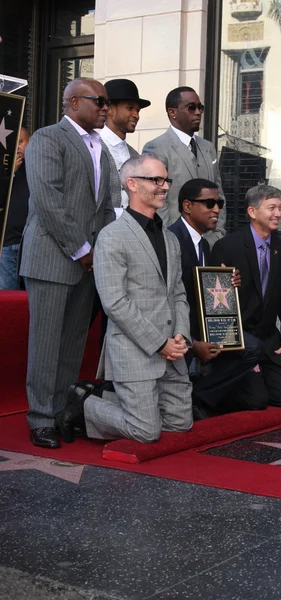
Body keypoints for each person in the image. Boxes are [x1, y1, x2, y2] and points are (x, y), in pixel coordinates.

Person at [57, 155, 193, 444]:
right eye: (156, 180)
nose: (164, 186)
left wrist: (181, 334)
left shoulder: (170, 239)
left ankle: (108, 396)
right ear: (132, 184)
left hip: (173, 352)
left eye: (166, 180)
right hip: (136, 351)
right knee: (145, 431)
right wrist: (160, 343)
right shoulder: (112, 236)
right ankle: (83, 405)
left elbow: (178, 292)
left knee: (180, 425)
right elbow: (114, 302)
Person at [19, 77, 115, 449]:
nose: (106, 108)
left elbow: (106, 207)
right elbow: (48, 200)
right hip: (52, 258)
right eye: (100, 101)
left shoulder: (102, 149)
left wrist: (101, 251)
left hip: (88, 262)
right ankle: (40, 418)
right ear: (74, 102)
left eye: (107, 102)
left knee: (73, 343)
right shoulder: (47, 138)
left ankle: (60, 412)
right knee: (45, 344)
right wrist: (81, 249)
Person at [168, 178, 265, 419]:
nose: (217, 209)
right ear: (187, 206)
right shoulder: (171, 240)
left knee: (252, 347)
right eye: (209, 203)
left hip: (203, 326)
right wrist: (192, 342)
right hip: (175, 331)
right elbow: (167, 300)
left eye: (219, 203)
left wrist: (227, 285)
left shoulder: (205, 244)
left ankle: (199, 395)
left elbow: (203, 292)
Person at [210, 184, 281, 408]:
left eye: (280, 207)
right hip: (240, 341)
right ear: (252, 212)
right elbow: (216, 308)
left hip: (269, 341)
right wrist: (242, 350)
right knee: (256, 401)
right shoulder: (227, 247)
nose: (278, 213)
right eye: (272, 208)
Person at [142, 86, 226, 245]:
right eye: (191, 107)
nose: (198, 112)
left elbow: (219, 194)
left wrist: (218, 234)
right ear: (172, 112)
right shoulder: (156, 147)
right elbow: (155, 199)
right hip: (176, 241)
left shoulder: (208, 148)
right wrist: (170, 238)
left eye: (200, 107)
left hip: (209, 242)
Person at [100, 78, 151, 216]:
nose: (136, 115)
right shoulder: (93, 148)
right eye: (130, 108)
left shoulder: (135, 155)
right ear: (110, 108)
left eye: (138, 110)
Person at [0, 127, 30, 290]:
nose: (17, 147)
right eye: (13, 143)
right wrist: (10, 173)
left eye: (20, 142)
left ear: (30, 142)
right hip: (7, 246)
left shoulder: (37, 167)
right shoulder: (4, 169)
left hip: (30, 246)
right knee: (7, 299)